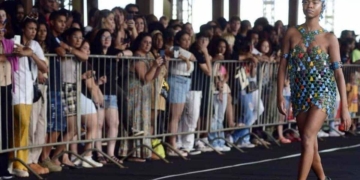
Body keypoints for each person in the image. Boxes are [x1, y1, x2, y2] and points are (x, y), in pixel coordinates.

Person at [276, 1, 351, 180]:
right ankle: (323, 179)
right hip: (299, 93)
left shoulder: (329, 38)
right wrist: (279, 94)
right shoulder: (292, 33)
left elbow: (339, 74)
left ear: (321, 6)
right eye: (306, 1)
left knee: (308, 137)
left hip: (324, 93)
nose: (309, 5)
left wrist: (345, 108)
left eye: (315, 1)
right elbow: (282, 66)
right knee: (310, 144)